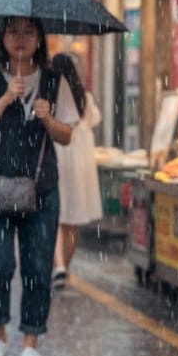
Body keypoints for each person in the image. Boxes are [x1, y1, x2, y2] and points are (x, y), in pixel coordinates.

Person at [0, 16, 77, 356]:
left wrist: (46, 118)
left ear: (41, 38)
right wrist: (6, 98)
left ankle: (30, 343)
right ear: (2, 38)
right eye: (13, 31)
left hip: (41, 190)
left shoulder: (55, 81)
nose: (21, 38)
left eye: (29, 31)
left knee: (38, 270)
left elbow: (66, 136)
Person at [50, 53, 103, 288]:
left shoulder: (49, 96)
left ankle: (59, 266)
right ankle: (66, 268)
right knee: (73, 218)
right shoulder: (84, 98)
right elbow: (92, 121)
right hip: (81, 162)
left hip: (58, 156)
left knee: (56, 218)